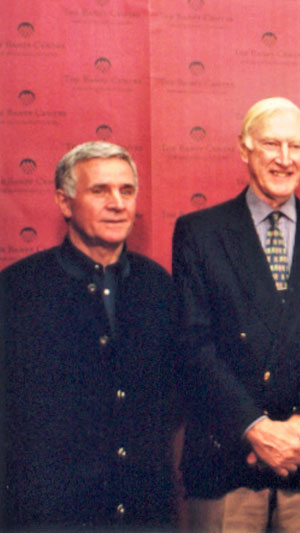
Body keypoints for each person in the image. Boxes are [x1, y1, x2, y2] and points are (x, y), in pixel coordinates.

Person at [172, 97, 300, 532]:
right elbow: (193, 343)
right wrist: (257, 429)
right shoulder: (199, 232)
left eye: (295, 146)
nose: (284, 159)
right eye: (271, 144)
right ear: (244, 149)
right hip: (228, 455)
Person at [0, 141, 180, 529]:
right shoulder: (17, 290)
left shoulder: (159, 287)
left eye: (126, 190)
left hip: (144, 511)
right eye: (100, 190)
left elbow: (176, 397)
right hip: (49, 515)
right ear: (64, 203)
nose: (118, 203)